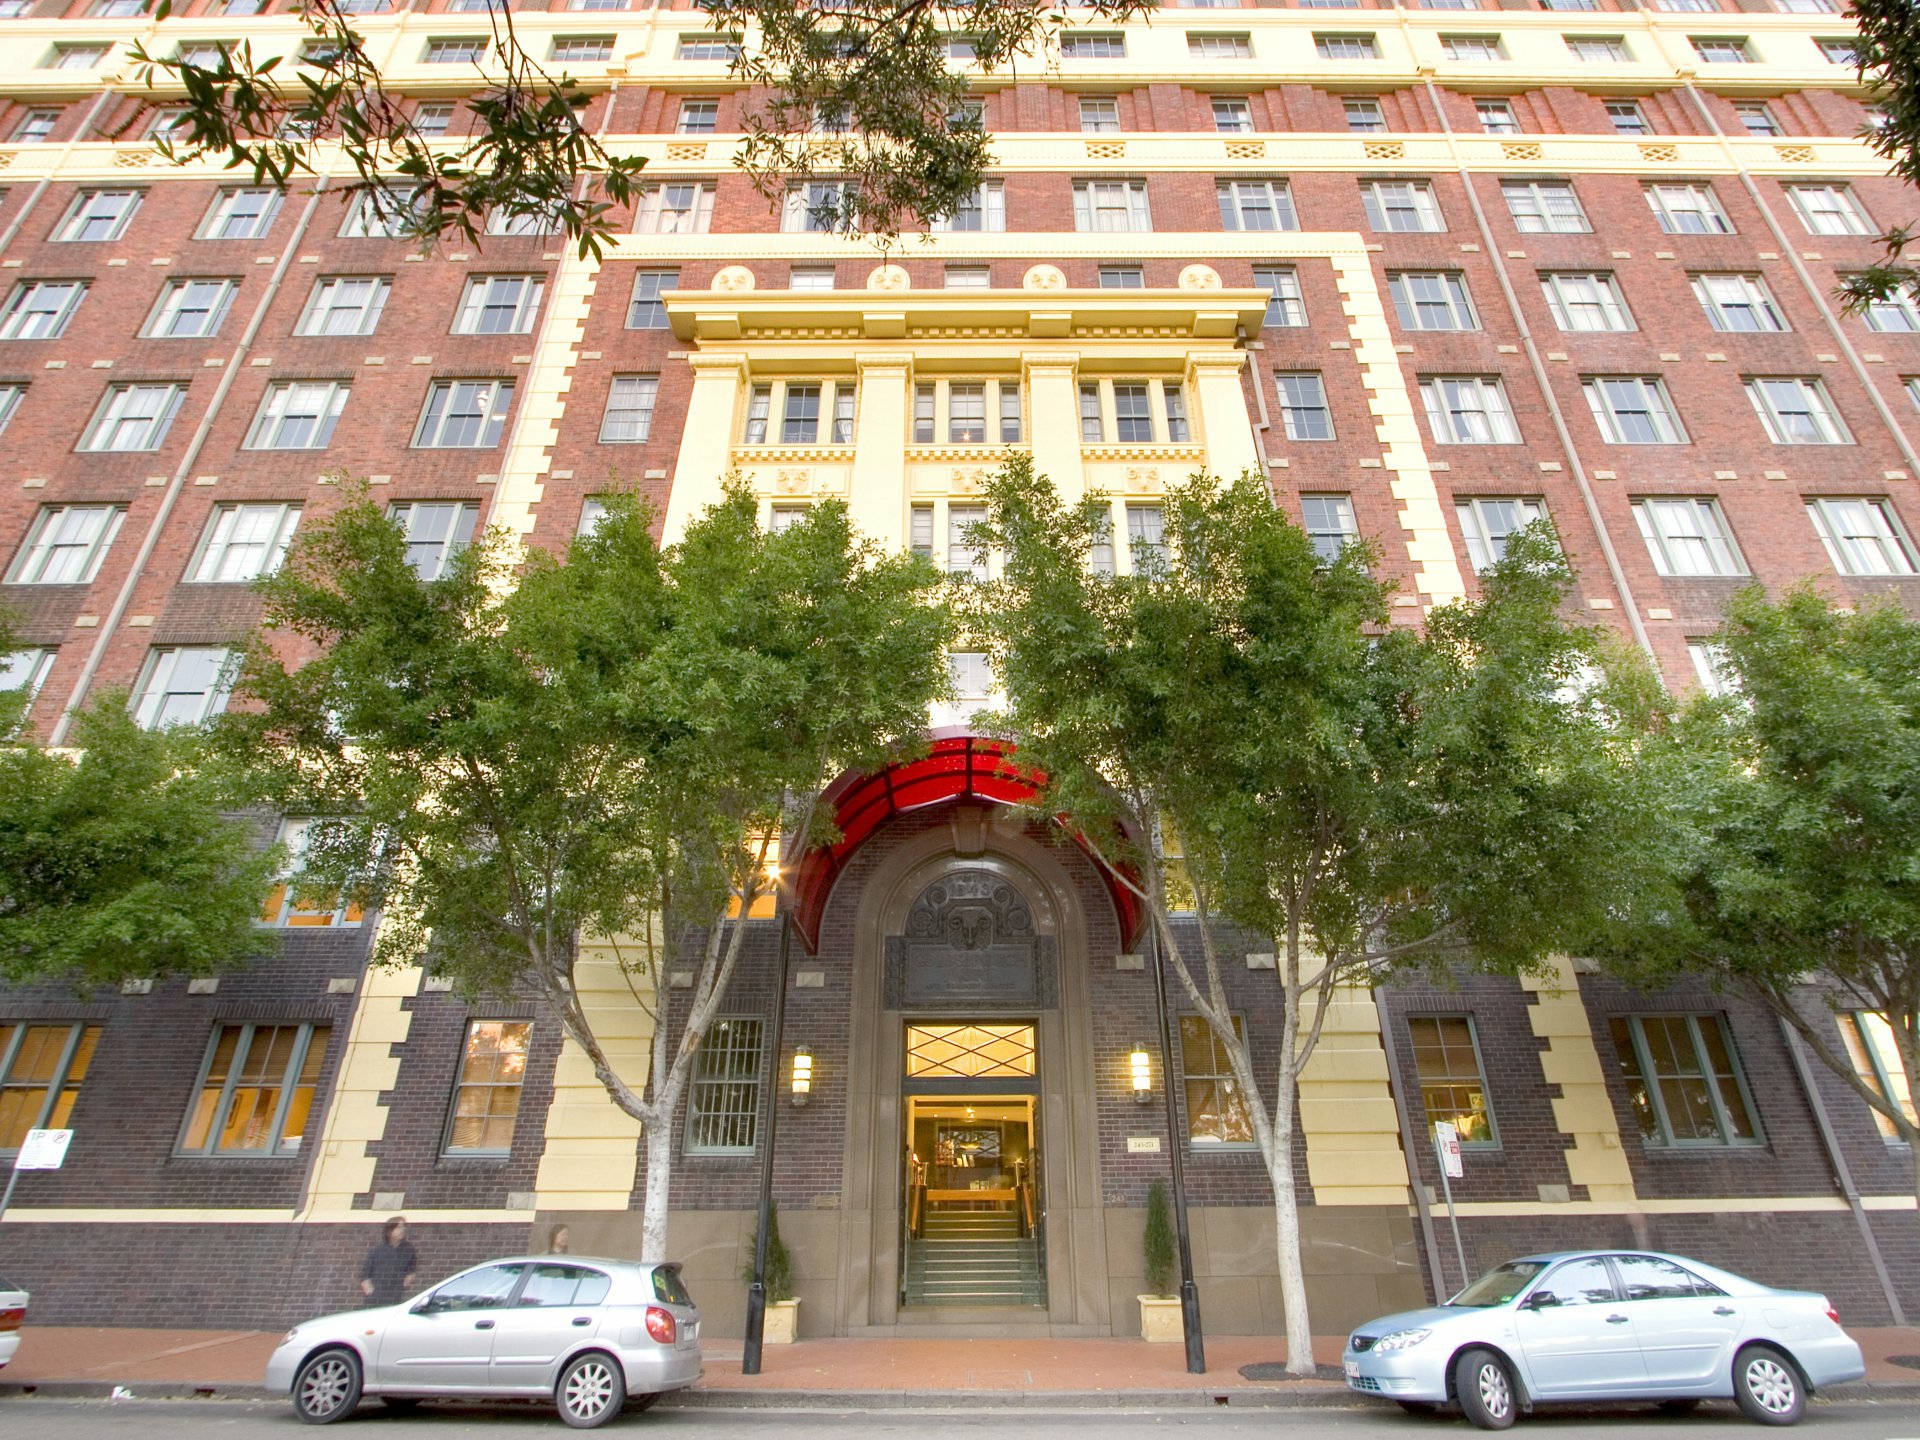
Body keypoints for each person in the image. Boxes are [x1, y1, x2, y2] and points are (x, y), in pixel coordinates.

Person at [360, 1216, 418, 1307]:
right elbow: (364, 1275)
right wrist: (371, 1293)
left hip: (396, 1298)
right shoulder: (377, 1250)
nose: (402, 1230)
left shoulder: (408, 1249)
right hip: (376, 1300)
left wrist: (403, 1285)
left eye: (403, 1227)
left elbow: (411, 1270)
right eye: (398, 1227)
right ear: (389, 1230)